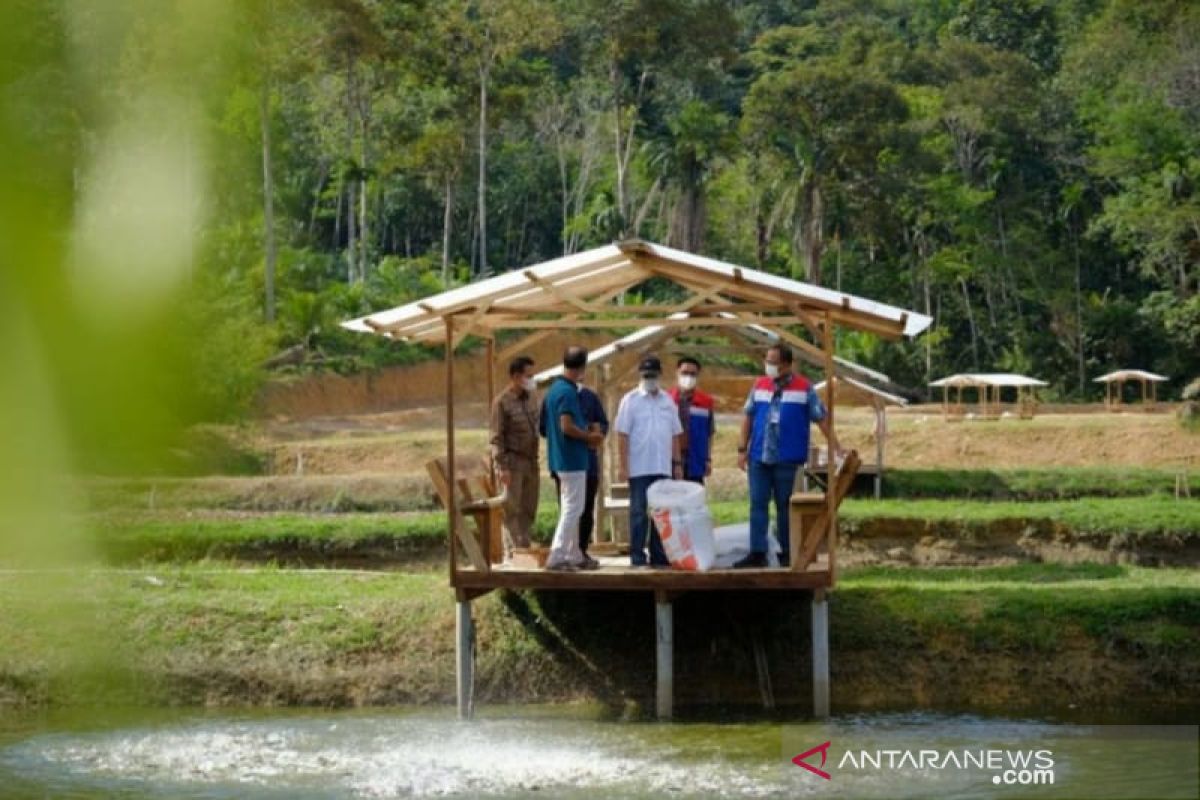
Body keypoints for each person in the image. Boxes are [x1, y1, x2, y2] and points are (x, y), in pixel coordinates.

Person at [735, 344, 842, 568]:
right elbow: (748, 417)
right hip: (759, 457)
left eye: (773, 362)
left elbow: (821, 419)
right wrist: (741, 449)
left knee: (786, 507)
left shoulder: (804, 389)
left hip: (787, 458)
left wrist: (836, 447)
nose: (769, 365)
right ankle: (758, 552)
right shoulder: (759, 385)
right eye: (768, 360)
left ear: (786, 364)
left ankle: (786, 552)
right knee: (757, 505)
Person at [615, 355, 683, 567]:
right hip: (639, 467)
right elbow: (622, 434)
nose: (650, 378)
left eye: (653, 375)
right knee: (638, 512)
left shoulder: (667, 401)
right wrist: (623, 465)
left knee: (661, 513)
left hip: (662, 466)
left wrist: (677, 464)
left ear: (660, 375)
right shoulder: (630, 400)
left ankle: (658, 555)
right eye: (646, 375)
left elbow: (675, 434)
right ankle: (637, 555)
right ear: (640, 375)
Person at [542, 346, 605, 571]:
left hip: (562, 458)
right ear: (582, 368)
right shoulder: (568, 392)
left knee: (574, 507)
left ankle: (575, 554)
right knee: (572, 509)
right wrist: (590, 437)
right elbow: (566, 426)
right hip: (572, 459)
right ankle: (557, 555)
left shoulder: (554, 390)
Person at [489, 355, 541, 561]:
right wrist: (502, 467)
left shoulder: (531, 399)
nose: (532, 379)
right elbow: (496, 437)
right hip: (512, 462)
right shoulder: (502, 402)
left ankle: (524, 543)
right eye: (529, 375)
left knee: (529, 506)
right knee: (511, 506)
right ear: (516, 376)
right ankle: (513, 551)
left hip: (531, 461)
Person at [667, 356, 715, 484]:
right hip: (668, 460)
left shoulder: (706, 402)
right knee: (669, 502)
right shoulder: (666, 400)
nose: (688, 377)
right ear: (677, 373)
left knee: (694, 501)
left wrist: (708, 459)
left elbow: (709, 433)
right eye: (684, 373)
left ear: (698, 375)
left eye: (692, 374)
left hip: (695, 460)